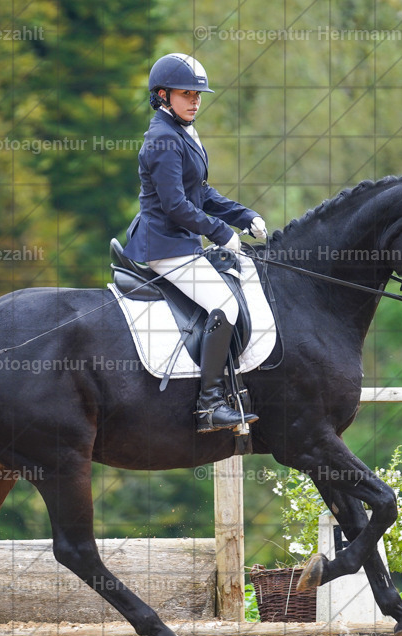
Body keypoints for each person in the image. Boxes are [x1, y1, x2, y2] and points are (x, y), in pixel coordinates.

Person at [123, 53, 268, 433]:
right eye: (187, 94)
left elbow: (200, 192)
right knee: (224, 305)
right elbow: (175, 205)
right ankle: (209, 405)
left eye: (198, 95)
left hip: (180, 241)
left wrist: (244, 216)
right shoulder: (161, 139)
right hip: (163, 245)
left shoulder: (183, 133)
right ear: (162, 95)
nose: (195, 101)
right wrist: (221, 233)